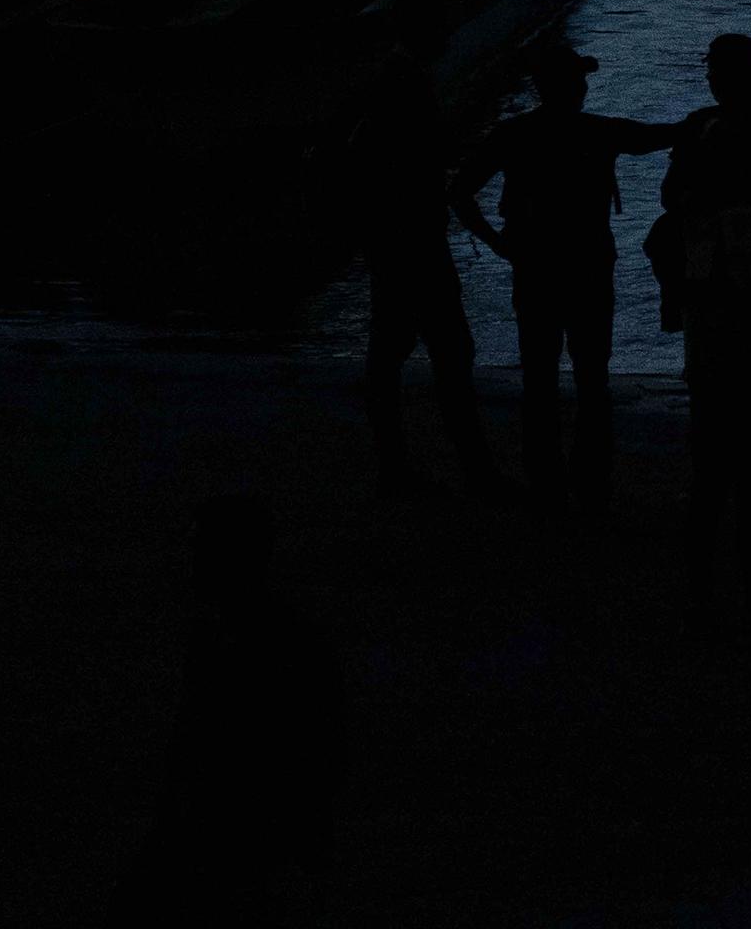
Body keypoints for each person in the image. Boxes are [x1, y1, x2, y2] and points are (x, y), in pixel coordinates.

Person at [450, 43, 681, 520]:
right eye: (579, 80)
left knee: (540, 380)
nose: (583, 87)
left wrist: (498, 244)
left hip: (534, 270)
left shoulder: (514, 134)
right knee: (592, 380)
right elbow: (658, 136)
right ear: (573, 86)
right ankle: (592, 485)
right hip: (590, 269)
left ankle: (547, 487)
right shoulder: (598, 132)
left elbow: (459, 193)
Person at [107, 498, 343, 924]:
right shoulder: (250, 638)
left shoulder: (248, 644)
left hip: (234, 835)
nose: (192, 561)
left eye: (203, 549)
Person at [655, 33, 751, 632]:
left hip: (715, 314)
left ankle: (707, 597)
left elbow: (672, 200)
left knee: (713, 465)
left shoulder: (702, 130)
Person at [354, 66, 502, 499]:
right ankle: (471, 467)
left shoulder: (369, 143)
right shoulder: (406, 148)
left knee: (390, 361)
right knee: (451, 355)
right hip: (420, 254)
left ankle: (396, 468)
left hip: (392, 256)